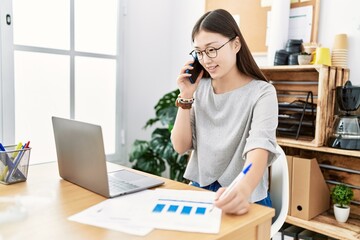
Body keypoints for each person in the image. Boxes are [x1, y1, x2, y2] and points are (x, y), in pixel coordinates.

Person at [171, 9, 279, 215]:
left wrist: (243, 189)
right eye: (199, 52)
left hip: (244, 196)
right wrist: (186, 96)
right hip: (201, 191)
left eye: (212, 50)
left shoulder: (262, 93)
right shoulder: (199, 88)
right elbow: (180, 145)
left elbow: (259, 149)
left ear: (236, 45)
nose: (206, 59)